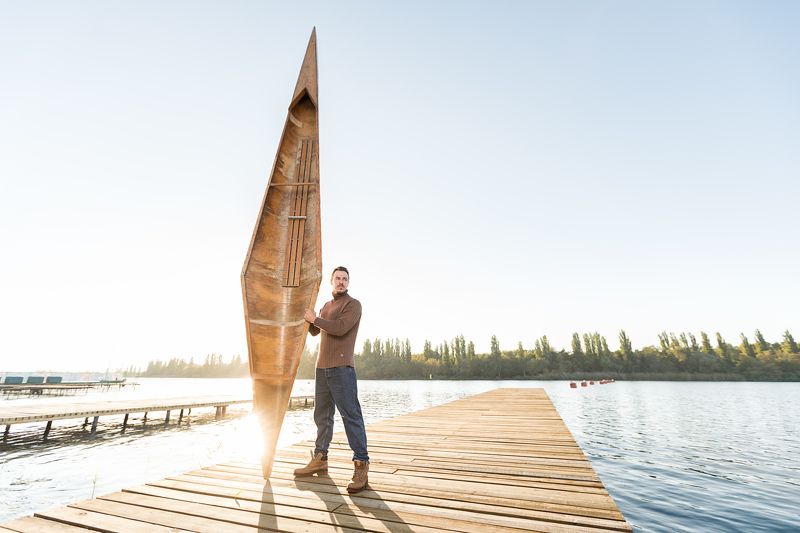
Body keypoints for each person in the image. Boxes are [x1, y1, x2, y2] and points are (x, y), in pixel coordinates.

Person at [293, 266, 369, 493]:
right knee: (322, 416)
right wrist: (305, 311)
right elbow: (315, 330)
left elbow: (339, 328)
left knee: (351, 416)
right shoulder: (326, 306)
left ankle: (361, 464)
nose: (341, 282)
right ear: (331, 281)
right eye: (337, 278)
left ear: (348, 282)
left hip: (342, 368)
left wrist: (314, 318)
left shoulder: (353, 305)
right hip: (321, 368)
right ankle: (320, 458)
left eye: (345, 279)